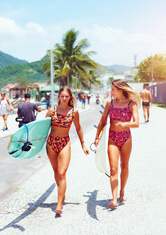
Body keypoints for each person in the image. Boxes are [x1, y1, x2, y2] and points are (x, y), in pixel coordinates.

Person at [94, 79, 140, 208]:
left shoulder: (132, 104)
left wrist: (125, 124)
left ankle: (122, 191)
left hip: (126, 138)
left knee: (124, 166)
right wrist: (97, 137)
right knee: (114, 168)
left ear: (120, 90)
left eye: (113, 89)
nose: (111, 92)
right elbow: (103, 120)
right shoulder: (110, 103)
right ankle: (114, 199)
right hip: (112, 138)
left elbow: (136, 123)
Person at [45, 86, 89, 215]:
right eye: (62, 96)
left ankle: (59, 204)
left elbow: (79, 128)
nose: (64, 98)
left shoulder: (73, 112)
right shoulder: (51, 111)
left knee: (62, 172)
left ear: (70, 97)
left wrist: (83, 145)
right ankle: (61, 194)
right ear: (59, 96)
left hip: (65, 143)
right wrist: (37, 150)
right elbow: (41, 130)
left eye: (67, 96)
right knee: (56, 172)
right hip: (51, 143)